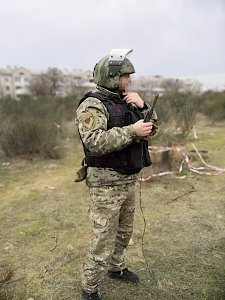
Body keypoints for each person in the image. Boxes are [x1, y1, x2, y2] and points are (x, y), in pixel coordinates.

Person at [75, 49, 158, 300]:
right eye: (125, 76)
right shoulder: (92, 104)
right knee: (103, 236)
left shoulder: (127, 101)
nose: (129, 80)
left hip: (127, 178)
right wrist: (132, 131)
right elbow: (95, 142)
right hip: (105, 183)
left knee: (124, 231)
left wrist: (143, 107)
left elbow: (152, 130)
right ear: (111, 77)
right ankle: (89, 287)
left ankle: (116, 267)